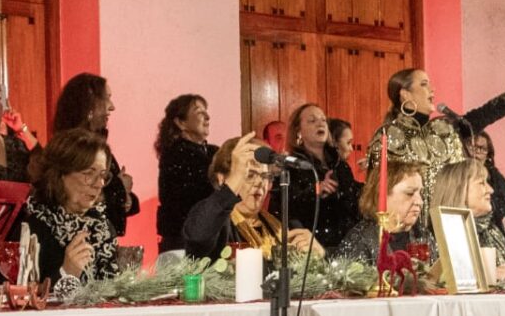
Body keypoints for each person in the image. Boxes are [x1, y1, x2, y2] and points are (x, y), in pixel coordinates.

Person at [364, 65, 505, 213]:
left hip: (451, 226)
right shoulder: (388, 135)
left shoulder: (446, 127)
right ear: (405, 94)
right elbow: (377, 193)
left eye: (430, 83)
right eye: (423, 84)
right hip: (409, 232)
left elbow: (487, 112)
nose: (432, 89)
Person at [183, 135, 321, 262]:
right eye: (249, 175)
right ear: (222, 179)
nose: (259, 182)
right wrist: (232, 183)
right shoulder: (216, 224)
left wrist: (318, 256)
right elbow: (197, 238)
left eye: (265, 176)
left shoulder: (285, 226)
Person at [21, 129, 122, 303]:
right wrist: (66, 272)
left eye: (103, 175)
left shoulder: (104, 227)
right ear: (61, 175)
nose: (99, 184)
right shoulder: (32, 226)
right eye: (89, 174)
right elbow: (19, 297)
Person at [51, 73, 138, 237]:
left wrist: (125, 196)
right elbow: (78, 197)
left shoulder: (96, 144)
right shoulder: (74, 149)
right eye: (107, 98)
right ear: (90, 104)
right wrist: (121, 188)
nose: (112, 107)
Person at [285, 101, 362, 251]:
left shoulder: (340, 164)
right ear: (298, 131)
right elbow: (284, 209)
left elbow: (354, 199)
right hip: (313, 248)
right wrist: (315, 192)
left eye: (323, 120)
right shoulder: (290, 166)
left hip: (348, 246)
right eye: (312, 120)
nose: (320, 124)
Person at [155, 94, 215, 255]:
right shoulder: (175, 154)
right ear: (181, 123)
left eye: (206, 111)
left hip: (207, 240)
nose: (207, 117)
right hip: (181, 245)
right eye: (199, 112)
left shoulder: (213, 152)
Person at [334, 159, 424, 267]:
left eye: (420, 193)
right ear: (382, 195)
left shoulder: (422, 234)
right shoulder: (360, 240)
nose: (420, 201)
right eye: (409, 193)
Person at [433, 158, 505, 270]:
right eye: (481, 183)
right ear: (460, 189)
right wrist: (491, 276)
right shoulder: (443, 234)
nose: (491, 190)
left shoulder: (493, 230)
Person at [471, 130, 505, 234]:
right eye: (474, 147)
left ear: (488, 154)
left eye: (483, 148)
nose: (478, 151)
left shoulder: (498, 179)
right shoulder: (459, 176)